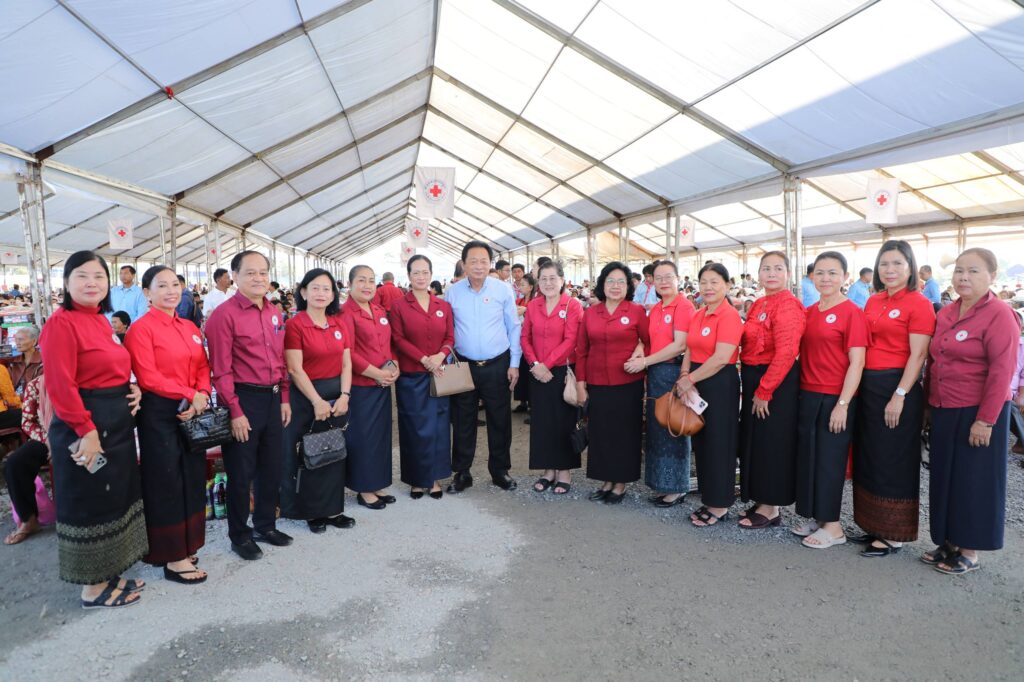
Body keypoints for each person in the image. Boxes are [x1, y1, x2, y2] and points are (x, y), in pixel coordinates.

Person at [38, 250, 146, 609]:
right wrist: (86, 431)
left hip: (114, 423)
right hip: (82, 428)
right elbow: (60, 385)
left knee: (112, 495)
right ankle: (93, 587)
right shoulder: (61, 323)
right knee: (90, 497)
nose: (91, 283)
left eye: (99, 276)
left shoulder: (100, 320)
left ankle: (109, 572)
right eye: (82, 276)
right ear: (66, 283)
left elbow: (111, 366)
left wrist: (132, 387)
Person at [924, 248, 1019, 575]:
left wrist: (985, 420)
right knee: (945, 478)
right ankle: (948, 541)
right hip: (944, 407)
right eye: (959, 271)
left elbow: (1002, 371)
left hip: (979, 411)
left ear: (992, 276)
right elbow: (933, 361)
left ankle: (970, 550)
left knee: (973, 481)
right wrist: (927, 406)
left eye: (973, 271)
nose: (964, 277)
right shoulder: (947, 312)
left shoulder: (1000, 314)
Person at [124, 266, 211, 585]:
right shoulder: (140, 330)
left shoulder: (189, 326)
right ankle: (172, 556)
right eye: (162, 285)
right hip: (159, 412)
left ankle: (187, 545)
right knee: (166, 481)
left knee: (192, 476)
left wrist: (201, 395)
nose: (171, 290)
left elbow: (203, 365)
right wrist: (190, 394)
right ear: (147, 293)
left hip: (192, 407)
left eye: (175, 284)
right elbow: (148, 377)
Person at [205, 250, 293, 561]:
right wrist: (235, 411)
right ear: (235, 277)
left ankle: (265, 525)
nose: (258, 278)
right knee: (241, 472)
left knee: (271, 466)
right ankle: (239, 535)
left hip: (272, 398)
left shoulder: (274, 311)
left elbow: (280, 359)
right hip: (243, 399)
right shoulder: (224, 315)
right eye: (250, 273)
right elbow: (220, 370)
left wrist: (284, 397)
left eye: (263, 272)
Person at [854, 240, 935, 557]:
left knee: (894, 459)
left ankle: (894, 533)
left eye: (897, 263)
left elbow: (919, 355)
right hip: (869, 385)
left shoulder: (919, 303)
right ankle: (873, 525)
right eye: (884, 264)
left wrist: (900, 394)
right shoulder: (873, 300)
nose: (890, 270)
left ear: (910, 268)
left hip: (898, 385)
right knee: (871, 455)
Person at [793, 252, 868, 548]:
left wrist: (843, 404)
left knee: (830, 461)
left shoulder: (852, 312)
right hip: (808, 393)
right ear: (812, 276)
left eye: (833, 273)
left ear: (845, 277)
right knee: (810, 457)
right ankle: (817, 516)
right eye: (820, 273)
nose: (826, 278)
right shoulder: (810, 311)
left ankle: (834, 527)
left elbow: (857, 362)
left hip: (836, 396)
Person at [281, 268, 355, 533]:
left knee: (334, 451)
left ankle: (333, 509)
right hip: (307, 397)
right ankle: (311, 511)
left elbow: (346, 364)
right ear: (303, 292)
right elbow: (295, 369)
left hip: (337, 397)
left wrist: (345, 396)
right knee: (309, 453)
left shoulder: (339, 324)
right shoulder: (295, 324)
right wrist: (316, 401)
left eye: (326, 289)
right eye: (315, 288)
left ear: (333, 294)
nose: (321, 293)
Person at [445, 240, 522, 493]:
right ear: (464, 264)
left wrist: (514, 364)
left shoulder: (502, 290)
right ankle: (462, 472)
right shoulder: (453, 292)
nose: (478, 266)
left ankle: (500, 471)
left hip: (497, 364)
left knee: (500, 419)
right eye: (473, 261)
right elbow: (448, 329)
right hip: (463, 364)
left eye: (483, 261)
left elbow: (514, 327)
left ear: (490, 264)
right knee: (463, 420)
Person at [737, 252, 806, 529]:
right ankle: (761, 498)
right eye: (766, 268)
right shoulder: (759, 303)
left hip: (776, 381)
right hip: (755, 376)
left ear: (788, 273)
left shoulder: (789, 305)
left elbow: (787, 352)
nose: (771, 274)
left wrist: (765, 390)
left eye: (778, 268)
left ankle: (771, 507)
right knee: (757, 440)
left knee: (773, 442)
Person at [674, 263, 743, 527]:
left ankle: (720, 504)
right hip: (695, 381)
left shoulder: (729, 316)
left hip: (719, 383)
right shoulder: (699, 313)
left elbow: (722, 357)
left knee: (719, 443)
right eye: (704, 282)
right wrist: (684, 375)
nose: (708, 287)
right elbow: (690, 348)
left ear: (727, 285)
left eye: (714, 282)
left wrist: (689, 379)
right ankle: (709, 498)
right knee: (701, 442)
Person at [576, 262, 649, 504]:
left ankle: (620, 483)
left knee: (625, 433)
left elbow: (649, 341)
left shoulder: (636, 311)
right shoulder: (590, 313)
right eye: (610, 281)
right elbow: (582, 351)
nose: (615, 286)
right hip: (597, 382)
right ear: (602, 284)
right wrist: (580, 383)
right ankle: (606, 480)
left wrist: (641, 348)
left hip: (628, 382)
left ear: (628, 286)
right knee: (600, 432)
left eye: (621, 282)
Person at [628, 260, 694, 507]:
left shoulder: (683, 306)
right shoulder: (656, 308)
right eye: (658, 277)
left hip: (674, 372)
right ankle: (661, 484)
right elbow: (648, 339)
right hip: (656, 373)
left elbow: (680, 345)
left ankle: (677, 487)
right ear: (652, 281)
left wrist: (645, 361)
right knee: (657, 428)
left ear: (678, 279)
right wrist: (640, 350)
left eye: (668, 277)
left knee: (675, 427)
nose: (663, 282)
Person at [389, 255, 454, 499]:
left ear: (431, 274)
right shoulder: (399, 306)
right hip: (412, 376)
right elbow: (398, 338)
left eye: (425, 272)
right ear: (408, 276)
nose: (421, 277)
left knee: (438, 427)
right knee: (413, 428)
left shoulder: (442, 306)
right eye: (416, 272)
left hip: (439, 374)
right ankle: (416, 479)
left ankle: (434, 477)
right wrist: (424, 359)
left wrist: (440, 355)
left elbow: (450, 337)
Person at [522, 260, 583, 494]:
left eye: (552, 278)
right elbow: (525, 337)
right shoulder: (533, 305)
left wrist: (546, 364)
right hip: (537, 371)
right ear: (538, 282)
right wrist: (535, 364)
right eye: (543, 279)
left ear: (562, 280)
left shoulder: (572, 305)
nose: (548, 283)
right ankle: (548, 470)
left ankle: (564, 471)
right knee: (542, 422)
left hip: (561, 371)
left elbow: (571, 340)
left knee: (564, 421)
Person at [342, 265, 399, 509]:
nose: (367, 286)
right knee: (363, 437)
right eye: (361, 280)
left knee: (380, 436)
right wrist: (376, 373)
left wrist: (394, 366)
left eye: (371, 281)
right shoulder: (346, 313)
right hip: (361, 386)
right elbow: (348, 353)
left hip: (383, 384)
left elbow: (389, 343)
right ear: (350, 284)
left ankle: (377, 483)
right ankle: (364, 488)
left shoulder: (378, 310)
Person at [2, 375, 51, 545]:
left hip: (82, 437)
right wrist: (48, 440)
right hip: (47, 437)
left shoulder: (83, 380)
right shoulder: (36, 385)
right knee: (14, 464)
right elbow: (28, 422)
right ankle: (28, 520)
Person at [513, 274, 537, 417]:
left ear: (531, 287)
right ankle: (522, 401)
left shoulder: (536, 302)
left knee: (530, 373)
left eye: (523, 284)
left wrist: (526, 310)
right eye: (519, 284)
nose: (520, 287)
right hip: (519, 341)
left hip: (531, 342)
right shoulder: (519, 300)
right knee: (521, 371)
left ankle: (532, 405)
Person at [7, 325, 43, 397]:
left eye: (21, 339)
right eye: (16, 339)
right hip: (13, 400)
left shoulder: (43, 362)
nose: (17, 343)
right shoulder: (13, 362)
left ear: (34, 341)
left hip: (32, 400)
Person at [1010, 309, 1024, 458]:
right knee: (1008, 405)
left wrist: (1022, 396)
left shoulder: (1023, 346)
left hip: (1016, 392)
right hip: (999, 392)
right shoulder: (996, 342)